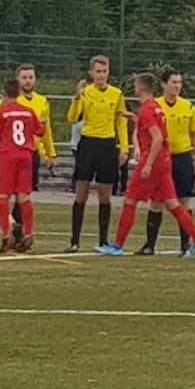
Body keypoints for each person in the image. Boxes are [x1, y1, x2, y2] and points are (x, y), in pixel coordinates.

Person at [99, 73, 195, 259]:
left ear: (140, 88)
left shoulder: (147, 109)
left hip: (154, 161)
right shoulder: (156, 108)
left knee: (130, 200)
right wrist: (135, 119)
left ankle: (118, 245)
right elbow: (152, 129)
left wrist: (148, 164)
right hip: (165, 161)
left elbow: (157, 138)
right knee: (173, 203)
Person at [66, 55, 130, 253]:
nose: (101, 75)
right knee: (81, 193)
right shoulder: (86, 93)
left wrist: (124, 147)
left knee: (105, 195)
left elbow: (121, 121)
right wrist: (77, 98)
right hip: (88, 144)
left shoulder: (116, 94)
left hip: (107, 145)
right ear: (91, 73)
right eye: (98, 71)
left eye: (104, 71)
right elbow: (72, 118)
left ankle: (103, 240)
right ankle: (74, 241)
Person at [139, 70, 195, 255]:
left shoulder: (188, 107)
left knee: (184, 201)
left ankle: (185, 245)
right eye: (173, 82)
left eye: (179, 82)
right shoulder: (156, 106)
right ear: (164, 84)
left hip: (182, 157)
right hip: (162, 158)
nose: (177, 86)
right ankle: (150, 244)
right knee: (156, 201)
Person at [0, 64, 58, 246]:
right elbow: (40, 129)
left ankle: (13, 234)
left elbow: (46, 130)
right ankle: (3, 235)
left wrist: (50, 153)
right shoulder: (13, 102)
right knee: (19, 196)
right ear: (18, 80)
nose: (28, 81)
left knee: (7, 196)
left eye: (31, 77)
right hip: (22, 153)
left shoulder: (41, 101)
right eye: (24, 77)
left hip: (24, 153)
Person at [0, 79, 43, 253]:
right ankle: (29, 233)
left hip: (8, 155)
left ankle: (6, 233)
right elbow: (40, 131)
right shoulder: (28, 111)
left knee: (2, 195)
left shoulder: (1, 113)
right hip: (26, 154)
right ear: (19, 93)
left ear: (4, 94)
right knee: (23, 196)